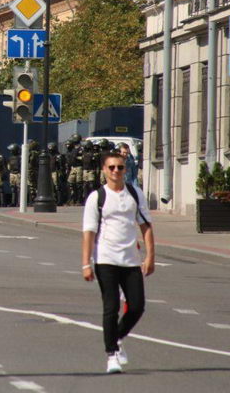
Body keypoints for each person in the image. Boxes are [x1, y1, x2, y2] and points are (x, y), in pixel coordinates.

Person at [81, 151, 154, 374]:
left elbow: (146, 226)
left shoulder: (135, 193)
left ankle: (118, 337)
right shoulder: (97, 197)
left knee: (137, 306)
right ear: (104, 170)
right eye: (111, 167)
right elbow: (89, 232)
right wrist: (86, 263)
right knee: (111, 307)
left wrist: (150, 256)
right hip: (106, 259)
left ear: (125, 170)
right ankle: (111, 354)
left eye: (120, 167)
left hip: (131, 260)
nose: (116, 171)